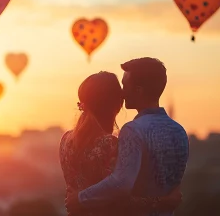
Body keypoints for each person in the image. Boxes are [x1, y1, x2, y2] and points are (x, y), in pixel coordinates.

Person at [65, 58, 190, 216]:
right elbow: (174, 187)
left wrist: (80, 198)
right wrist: (165, 202)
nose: (122, 93)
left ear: (138, 90)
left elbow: (121, 183)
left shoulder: (133, 130)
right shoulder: (179, 131)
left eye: (125, 85)